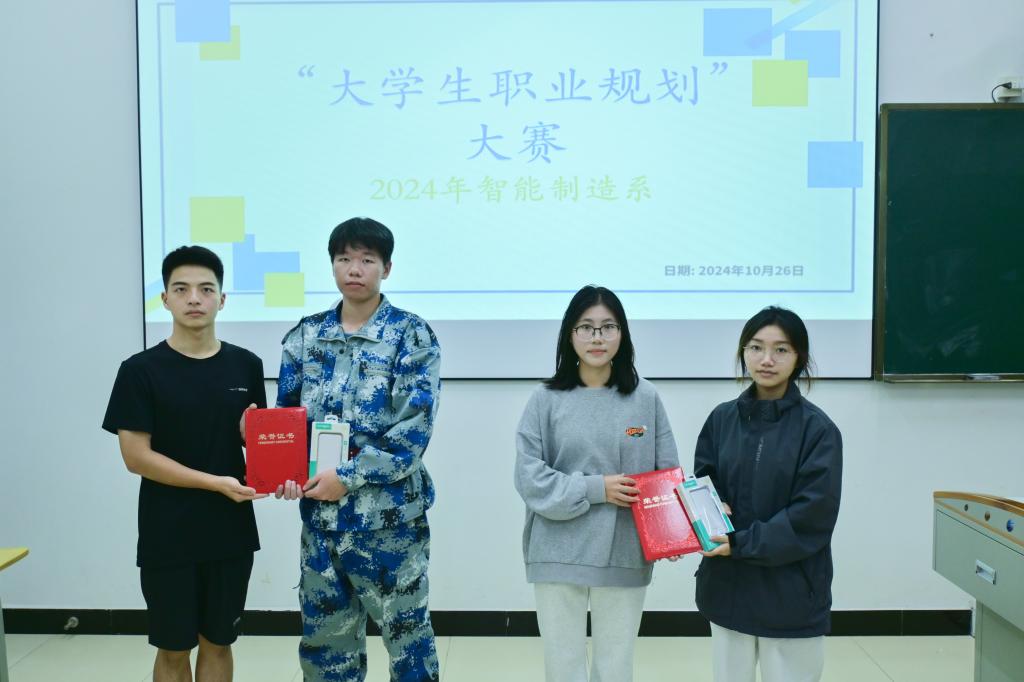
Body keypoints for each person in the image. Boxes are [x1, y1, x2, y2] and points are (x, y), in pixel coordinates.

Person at [275, 217, 442, 682]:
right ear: (332, 265)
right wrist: (282, 471)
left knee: (408, 644)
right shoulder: (306, 336)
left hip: (388, 523)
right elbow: (286, 420)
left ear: (386, 268)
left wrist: (346, 478)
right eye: (344, 258)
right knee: (325, 649)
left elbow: (413, 432)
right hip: (321, 525)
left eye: (367, 260)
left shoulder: (411, 336)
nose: (354, 269)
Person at [102, 245, 266, 682]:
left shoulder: (246, 365)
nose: (194, 298)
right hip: (167, 532)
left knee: (219, 642)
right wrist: (213, 482)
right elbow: (136, 457)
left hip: (230, 530)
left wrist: (256, 444)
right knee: (173, 649)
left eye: (206, 289)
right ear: (165, 299)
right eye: (182, 289)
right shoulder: (140, 370)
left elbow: (259, 445)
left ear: (222, 299)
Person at [514, 285, 679, 682]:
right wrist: (597, 489)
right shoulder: (544, 399)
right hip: (557, 550)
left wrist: (673, 531)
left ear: (623, 334)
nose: (597, 337)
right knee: (563, 667)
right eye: (586, 327)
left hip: (624, 551)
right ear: (569, 335)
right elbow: (529, 478)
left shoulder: (646, 398)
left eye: (608, 327)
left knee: (615, 667)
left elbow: (666, 474)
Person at [693, 306, 843, 682]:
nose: (766, 359)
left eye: (781, 349)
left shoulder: (818, 430)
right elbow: (704, 483)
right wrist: (710, 509)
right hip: (727, 589)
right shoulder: (721, 419)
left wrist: (741, 543)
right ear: (743, 352)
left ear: (799, 358)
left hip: (790, 594)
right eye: (756, 347)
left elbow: (811, 517)